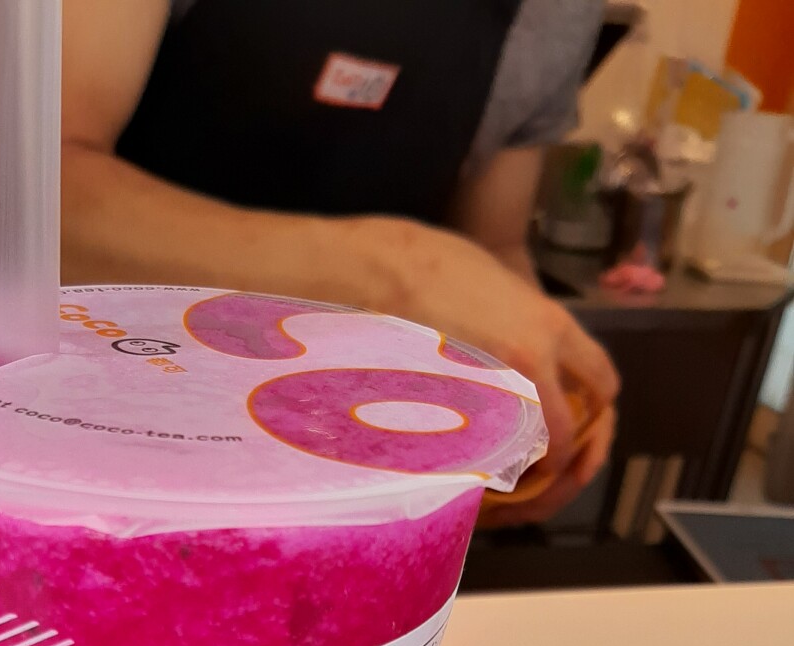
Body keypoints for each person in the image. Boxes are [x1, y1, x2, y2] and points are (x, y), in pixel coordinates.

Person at [61, 0, 620, 523]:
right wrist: (388, 275)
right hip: (100, 462)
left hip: (366, 496)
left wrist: (538, 400)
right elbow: (48, 195)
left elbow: (495, 244)